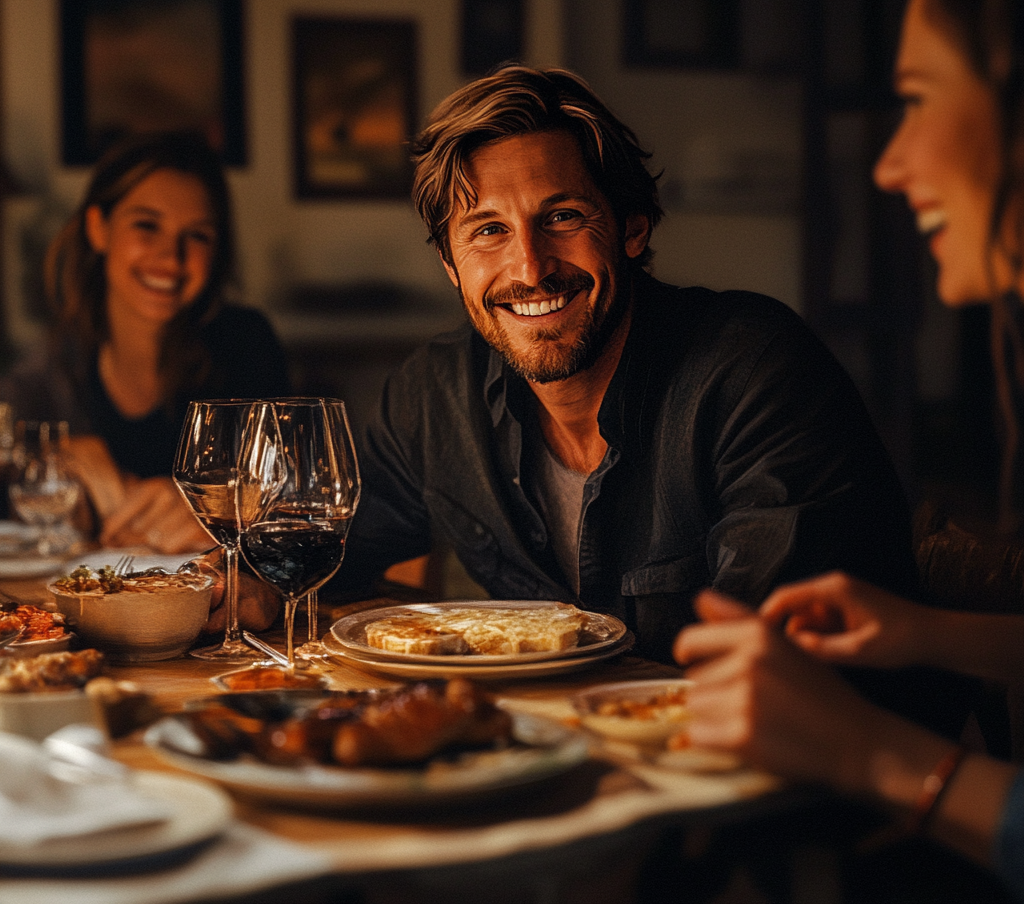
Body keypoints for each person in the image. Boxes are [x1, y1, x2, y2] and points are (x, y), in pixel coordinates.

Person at [336, 63, 968, 730]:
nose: (529, 267)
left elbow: (768, 669)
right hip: (583, 764)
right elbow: (330, 540)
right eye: (487, 230)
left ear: (632, 228)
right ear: (451, 266)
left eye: (563, 216)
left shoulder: (752, 370)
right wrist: (247, 581)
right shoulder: (435, 393)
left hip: (807, 799)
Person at [674, 0, 1024, 900]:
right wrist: (927, 631)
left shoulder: (748, 357)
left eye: (917, 98)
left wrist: (863, 750)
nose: (887, 161)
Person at [0, 131, 288, 629]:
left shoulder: (245, 345)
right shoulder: (43, 376)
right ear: (98, 229)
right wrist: (60, 469)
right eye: (146, 226)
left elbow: (299, 491)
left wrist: (223, 507)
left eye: (197, 235)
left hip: (215, 627)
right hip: (82, 625)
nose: (171, 259)